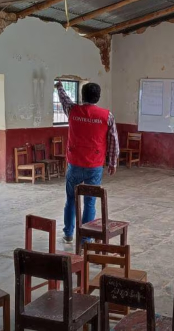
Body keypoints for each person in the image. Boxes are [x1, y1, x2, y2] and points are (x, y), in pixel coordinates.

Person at [55, 81, 119, 245]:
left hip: (75, 163)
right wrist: (112, 163)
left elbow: (64, 99)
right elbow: (113, 141)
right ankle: (85, 239)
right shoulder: (107, 116)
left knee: (71, 200)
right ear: (98, 97)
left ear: (82, 96)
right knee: (90, 202)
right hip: (94, 165)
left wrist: (60, 87)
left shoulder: (73, 110)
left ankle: (68, 234)